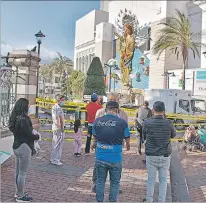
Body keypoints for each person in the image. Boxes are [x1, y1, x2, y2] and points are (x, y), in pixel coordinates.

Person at [92, 101, 131, 202]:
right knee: (115, 183)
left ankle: (99, 201)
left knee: (100, 181)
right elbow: (127, 138)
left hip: (100, 157)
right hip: (115, 158)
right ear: (117, 110)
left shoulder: (97, 121)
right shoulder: (122, 123)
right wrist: (128, 146)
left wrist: (93, 144)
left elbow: (94, 136)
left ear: (105, 110)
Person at [142, 101, 176, 202]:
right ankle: (161, 200)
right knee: (163, 180)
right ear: (164, 111)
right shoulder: (169, 123)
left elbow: (144, 136)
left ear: (153, 110)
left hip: (151, 155)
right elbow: (173, 135)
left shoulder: (147, 122)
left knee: (151, 180)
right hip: (165, 155)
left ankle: (149, 200)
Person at [9, 98, 39, 202]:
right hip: (24, 147)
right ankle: (20, 196)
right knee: (22, 172)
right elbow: (29, 135)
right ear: (24, 107)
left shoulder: (15, 118)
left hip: (16, 146)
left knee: (18, 171)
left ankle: (18, 192)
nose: (29, 107)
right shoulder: (24, 120)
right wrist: (37, 136)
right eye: (28, 105)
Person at [50, 95, 65, 166]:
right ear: (59, 100)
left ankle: (53, 158)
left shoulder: (54, 107)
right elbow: (60, 119)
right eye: (63, 100)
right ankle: (56, 159)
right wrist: (62, 129)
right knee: (58, 144)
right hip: (58, 128)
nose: (64, 102)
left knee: (54, 143)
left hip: (55, 127)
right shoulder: (58, 108)